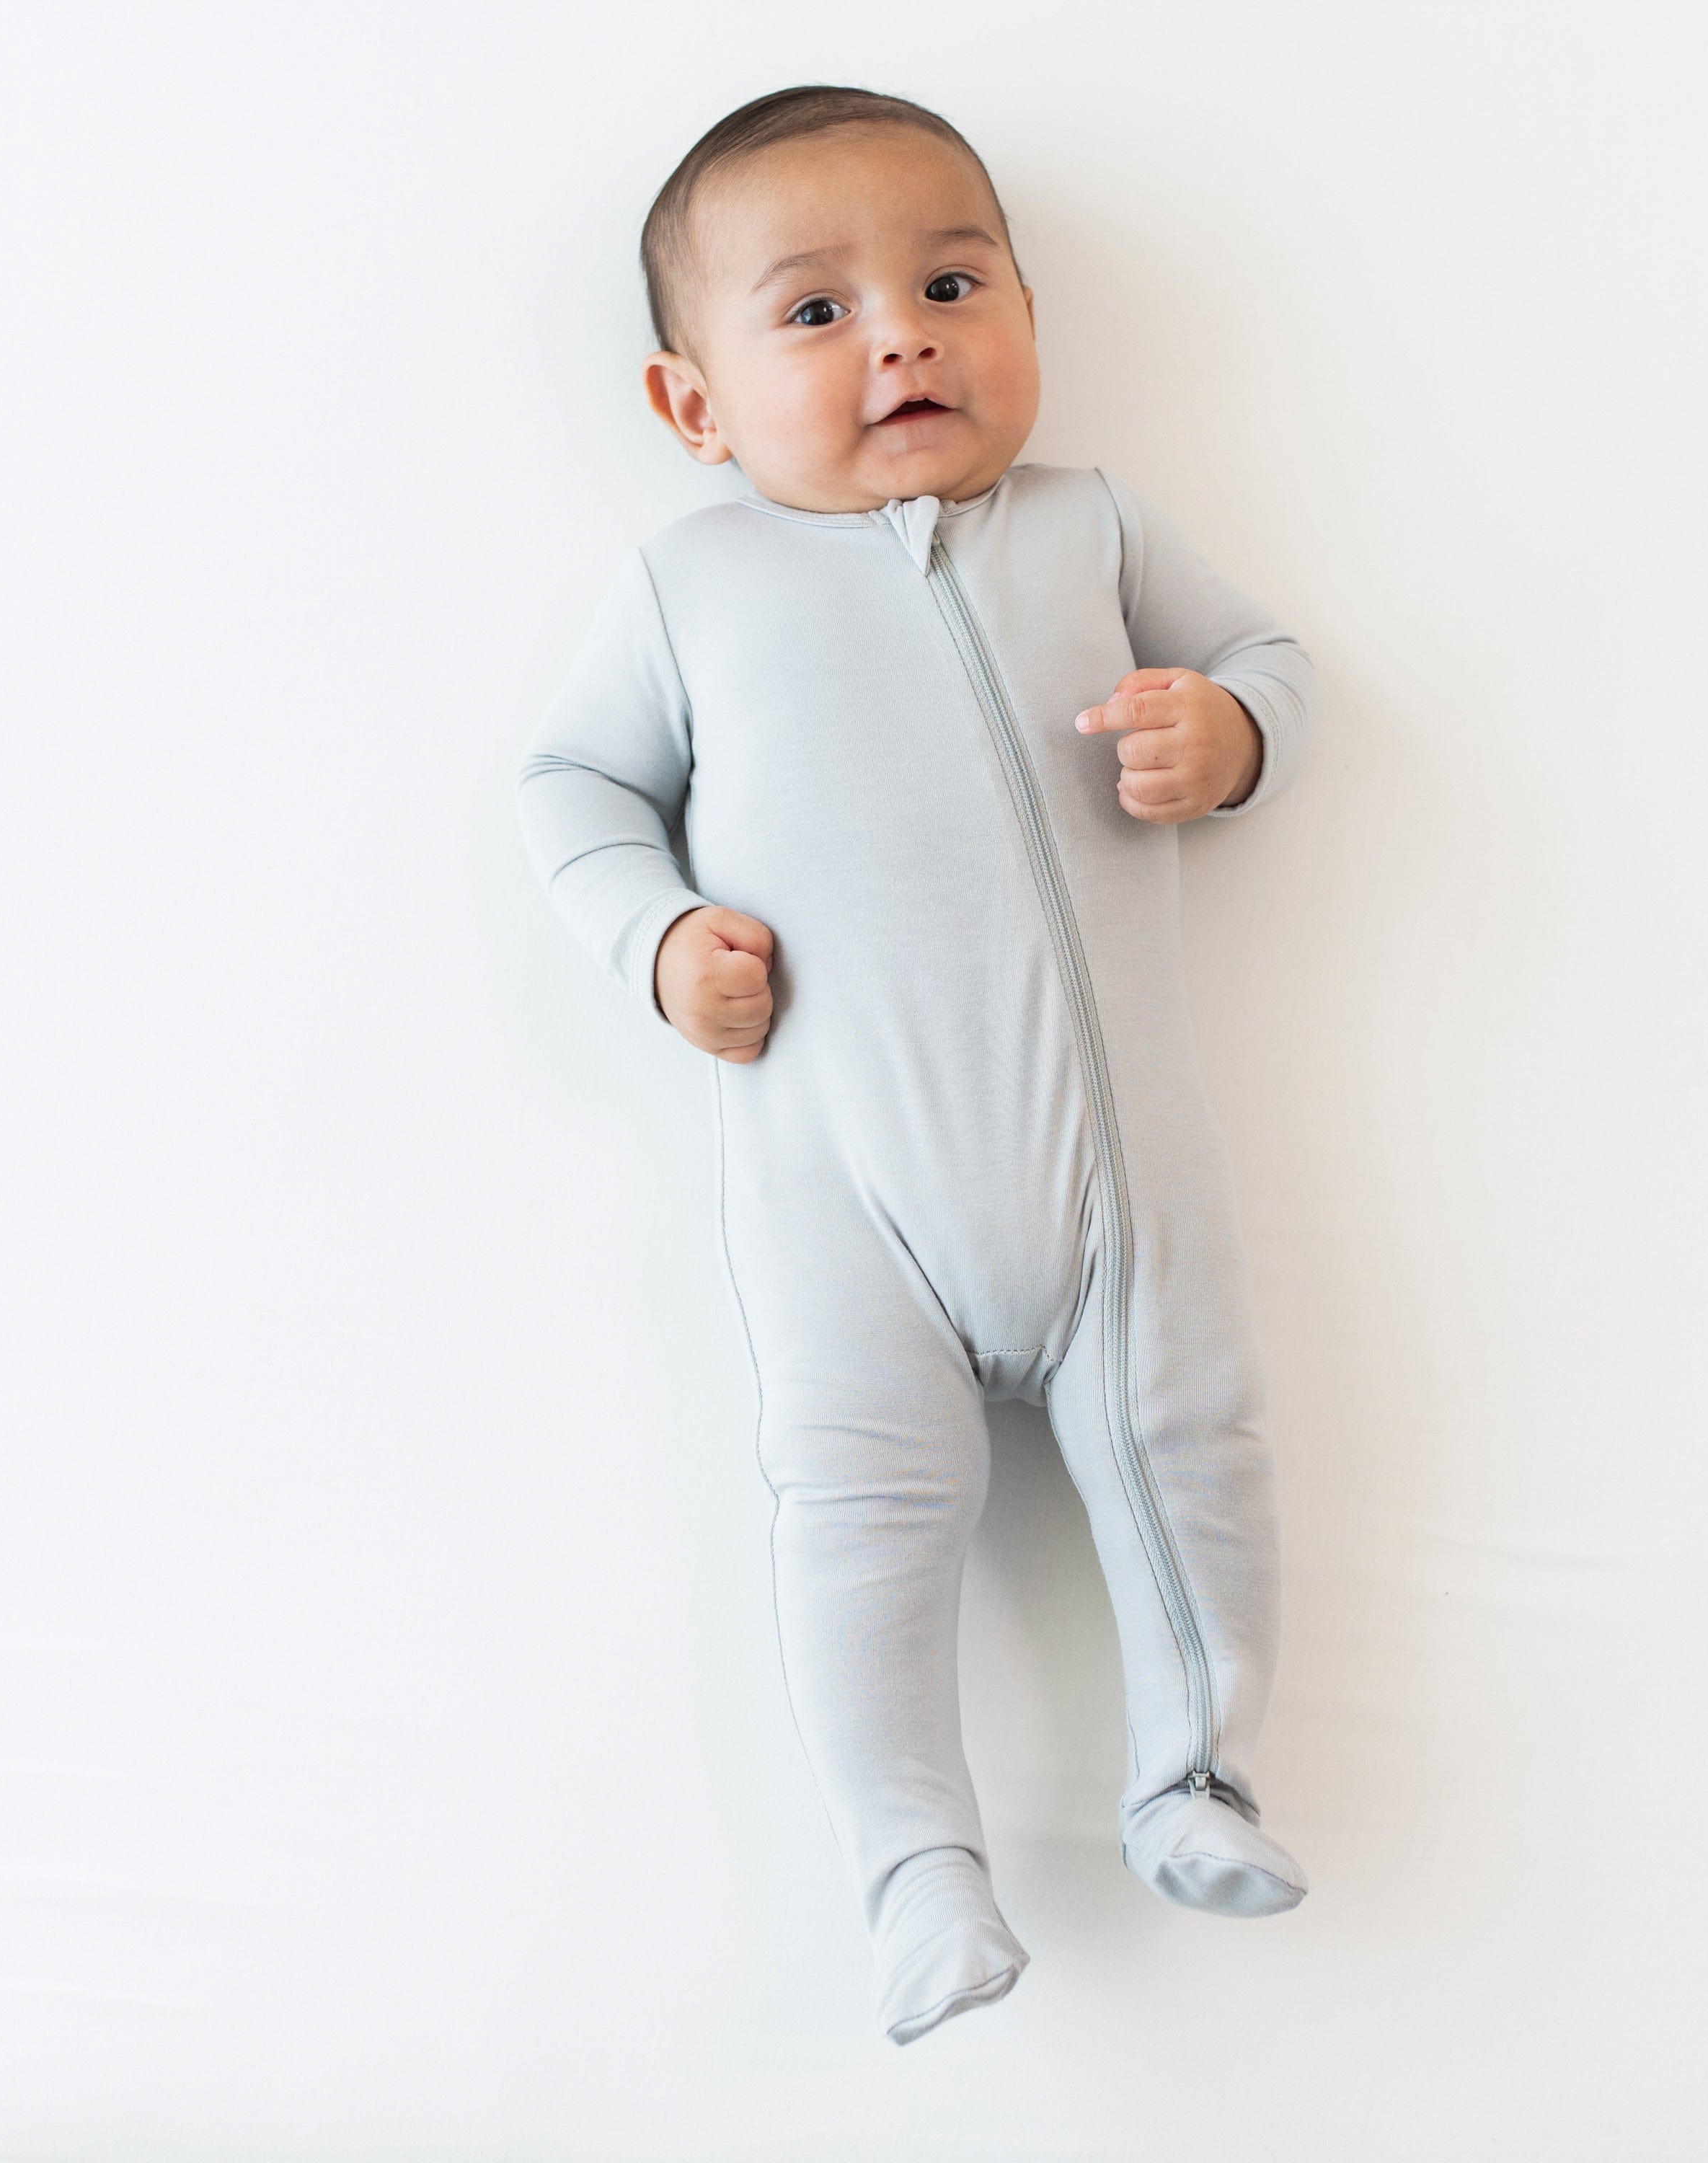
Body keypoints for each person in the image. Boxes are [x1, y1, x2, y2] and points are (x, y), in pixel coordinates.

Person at [516, 84, 1314, 2046]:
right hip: (840, 1192)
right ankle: (911, 1871)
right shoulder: (690, 589)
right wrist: (659, 936)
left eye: (954, 282)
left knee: (1193, 1447)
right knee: (856, 1517)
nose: (903, 334)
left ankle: (1192, 1774)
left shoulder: (1093, 523)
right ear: (691, 404)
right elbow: (570, 788)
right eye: (814, 311)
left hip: (1115, 1169)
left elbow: (1275, 656)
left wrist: (1228, 728)